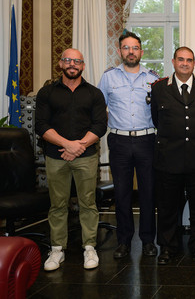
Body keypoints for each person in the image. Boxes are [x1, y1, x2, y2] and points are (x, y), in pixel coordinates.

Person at [35, 48, 107, 271]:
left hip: (86, 156)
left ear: (83, 66)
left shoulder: (94, 93)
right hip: (56, 156)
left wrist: (78, 146)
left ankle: (89, 248)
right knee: (57, 204)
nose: (72, 64)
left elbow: (100, 126)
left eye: (77, 61)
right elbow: (41, 126)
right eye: (68, 60)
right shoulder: (46, 93)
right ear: (60, 64)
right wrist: (67, 145)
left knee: (88, 203)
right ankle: (57, 250)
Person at [150, 46, 195, 264]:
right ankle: (169, 247)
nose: (185, 63)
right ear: (173, 61)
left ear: (194, 64)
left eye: (189, 60)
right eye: (181, 59)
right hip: (169, 158)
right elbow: (156, 120)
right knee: (168, 206)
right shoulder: (159, 88)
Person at [97, 31, 159, 259]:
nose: (131, 52)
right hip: (119, 140)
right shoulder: (108, 77)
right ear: (120, 51)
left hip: (147, 140)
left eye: (135, 48)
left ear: (141, 52)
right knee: (122, 194)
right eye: (126, 47)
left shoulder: (153, 78)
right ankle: (123, 242)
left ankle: (148, 241)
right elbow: (98, 109)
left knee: (148, 194)